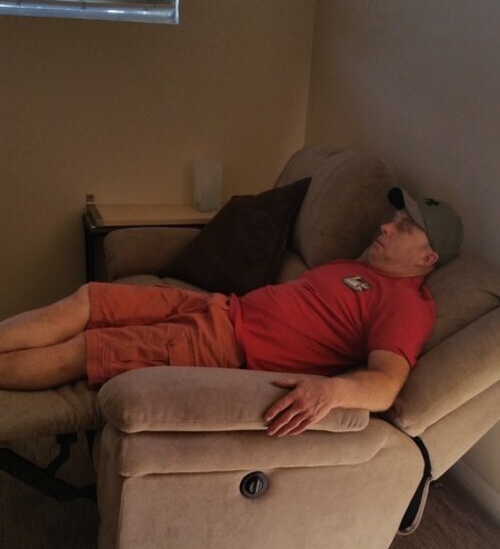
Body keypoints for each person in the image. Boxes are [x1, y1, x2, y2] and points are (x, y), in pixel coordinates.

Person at [0, 187, 462, 437]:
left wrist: (333, 392)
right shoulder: (359, 266)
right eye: (394, 219)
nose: (385, 226)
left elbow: (386, 383)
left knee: (84, 350)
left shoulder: (406, 304)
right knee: (90, 298)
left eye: (403, 228)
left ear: (427, 260)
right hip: (217, 306)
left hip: (224, 345)